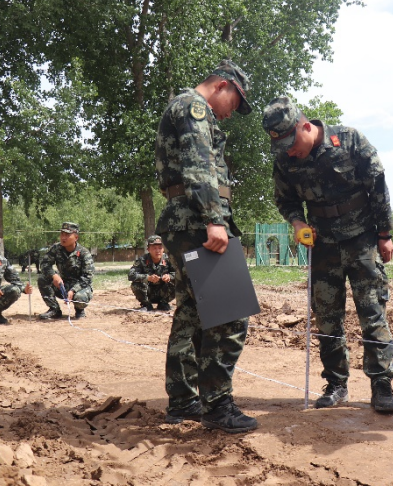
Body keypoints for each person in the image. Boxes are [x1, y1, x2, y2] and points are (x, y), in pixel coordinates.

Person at [262, 96, 393, 414]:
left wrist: (385, 234)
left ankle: (381, 385)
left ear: (305, 126)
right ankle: (337, 384)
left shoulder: (349, 140)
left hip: (362, 240)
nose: (288, 151)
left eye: (291, 143)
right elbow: (285, 200)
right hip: (321, 244)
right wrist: (296, 222)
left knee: (372, 313)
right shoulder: (285, 160)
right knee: (327, 318)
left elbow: (378, 185)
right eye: (281, 147)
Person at [154, 59, 257, 433]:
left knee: (192, 315)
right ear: (221, 85)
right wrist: (215, 218)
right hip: (200, 221)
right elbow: (199, 164)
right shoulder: (196, 107)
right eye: (236, 102)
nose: (233, 113)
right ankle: (217, 406)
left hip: (184, 220)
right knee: (229, 313)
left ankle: (183, 400)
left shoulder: (181, 106)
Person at [37, 222, 95, 319]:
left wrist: (73, 290)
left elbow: (87, 277)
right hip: (62, 285)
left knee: (80, 298)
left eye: (67, 235)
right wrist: (54, 275)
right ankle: (54, 310)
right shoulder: (56, 248)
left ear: (76, 237)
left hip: (80, 287)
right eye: (62, 234)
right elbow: (44, 264)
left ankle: (79, 310)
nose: (63, 238)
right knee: (42, 279)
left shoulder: (84, 253)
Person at [128, 235, 176, 312]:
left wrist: (169, 276)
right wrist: (147, 278)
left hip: (163, 291)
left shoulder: (169, 259)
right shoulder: (142, 260)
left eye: (160, 247)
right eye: (154, 248)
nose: (157, 251)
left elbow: (179, 273)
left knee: (177, 282)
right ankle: (146, 305)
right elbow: (131, 275)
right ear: (148, 249)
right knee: (136, 284)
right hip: (147, 292)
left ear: (163, 249)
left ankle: (163, 304)